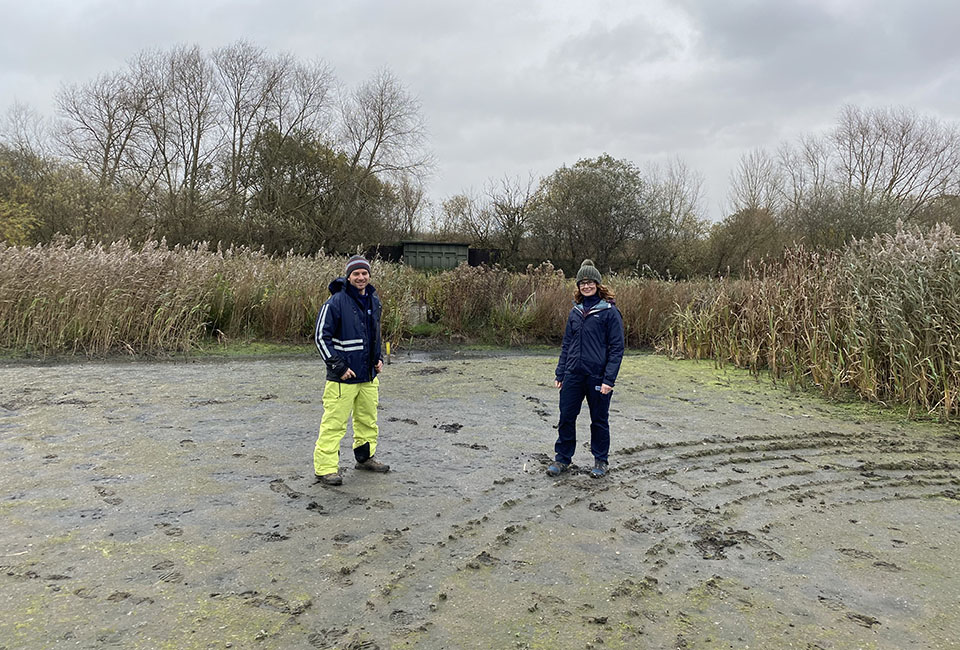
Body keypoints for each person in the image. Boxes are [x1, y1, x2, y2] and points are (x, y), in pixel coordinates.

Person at [313, 254, 390, 486]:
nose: (361, 277)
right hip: (342, 378)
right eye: (356, 273)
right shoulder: (335, 302)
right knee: (334, 424)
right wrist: (338, 366)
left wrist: (378, 358)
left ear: (369, 275)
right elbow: (320, 337)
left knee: (368, 420)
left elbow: (374, 334)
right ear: (348, 276)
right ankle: (325, 469)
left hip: (368, 375)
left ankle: (365, 458)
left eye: (364, 273)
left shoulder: (374, 300)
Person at [547, 259, 625, 479]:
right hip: (573, 374)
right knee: (566, 417)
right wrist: (560, 372)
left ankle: (600, 461)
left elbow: (617, 348)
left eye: (590, 282)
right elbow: (566, 345)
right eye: (583, 283)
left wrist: (609, 380)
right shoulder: (575, 312)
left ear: (598, 284)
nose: (586, 286)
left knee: (599, 419)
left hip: (598, 376)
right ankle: (562, 459)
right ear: (579, 286)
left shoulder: (609, 312)